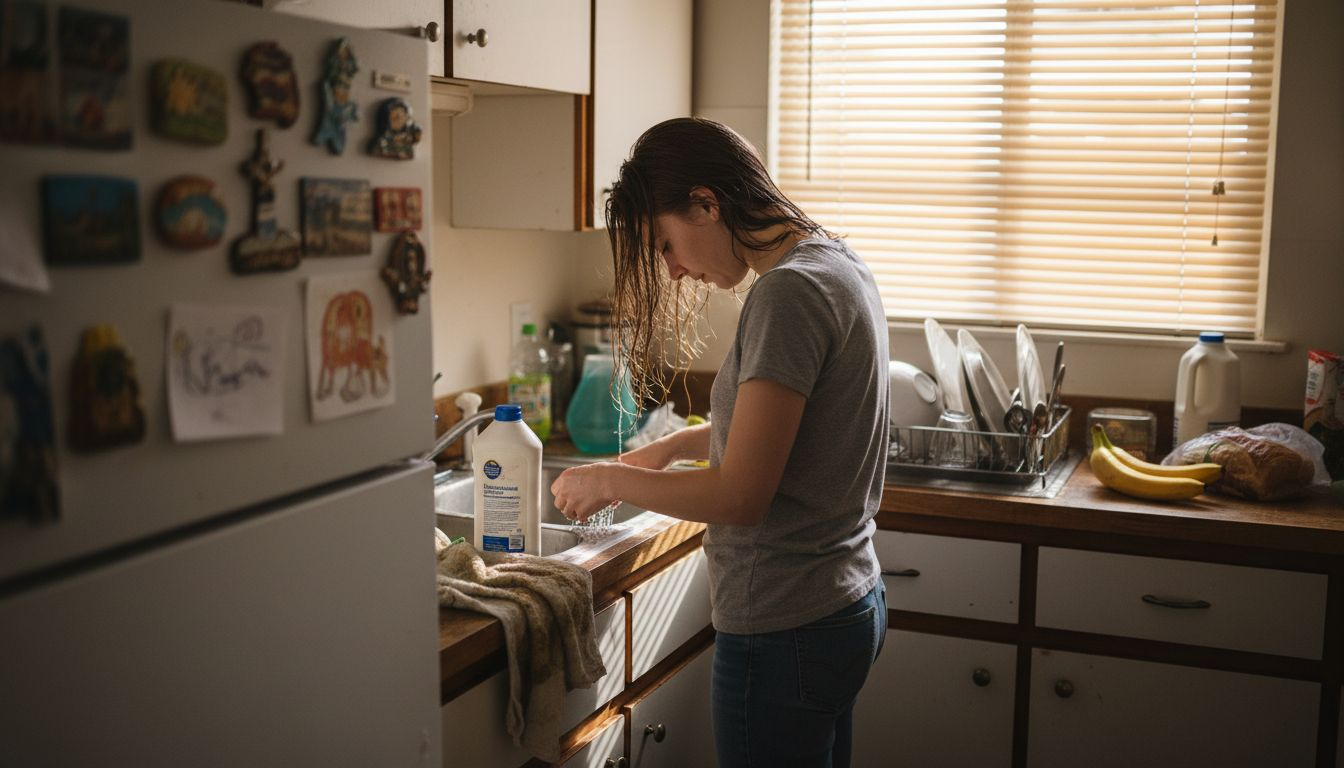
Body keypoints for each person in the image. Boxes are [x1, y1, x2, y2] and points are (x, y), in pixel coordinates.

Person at [549, 117, 890, 767]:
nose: (673, 270)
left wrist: (611, 480)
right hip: (843, 602)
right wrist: (674, 447)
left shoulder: (788, 294)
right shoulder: (834, 263)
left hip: (783, 627)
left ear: (706, 204)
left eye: (666, 243)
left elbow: (739, 496)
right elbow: (796, 425)